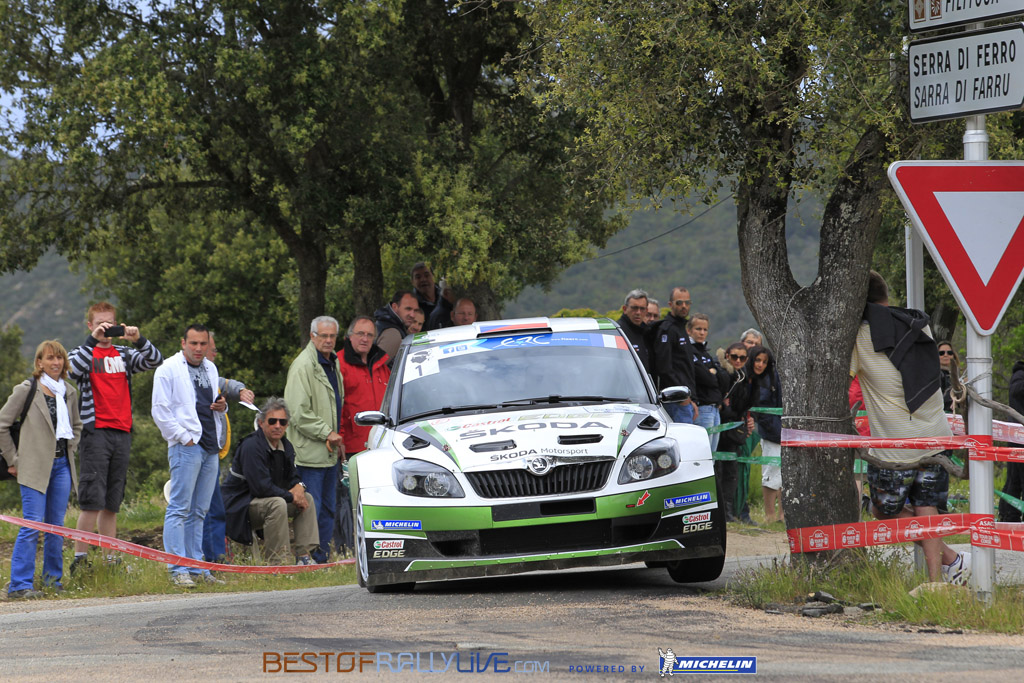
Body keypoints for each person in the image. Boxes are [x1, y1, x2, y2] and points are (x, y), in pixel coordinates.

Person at [851, 271, 969, 584]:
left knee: (884, 512)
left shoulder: (861, 337)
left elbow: (844, 377)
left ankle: (949, 560)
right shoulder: (919, 324)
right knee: (926, 505)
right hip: (936, 436)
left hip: (896, 445)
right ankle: (940, 576)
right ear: (885, 295)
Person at [68, 301, 163, 574]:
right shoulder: (82, 352)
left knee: (111, 502)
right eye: (101, 324)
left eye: (111, 323)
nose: (106, 328)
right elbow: (73, 371)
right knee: (91, 500)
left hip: (122, 431)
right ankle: (80, 558)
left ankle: (111, 560)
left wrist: (138, 339)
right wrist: (93, 341)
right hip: (95, 430)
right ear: (90, 325)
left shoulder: (123, 353)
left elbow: (156, 361)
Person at [0, 341, 83, 598]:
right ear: (39, 363)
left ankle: (52, 582)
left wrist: (72, 449)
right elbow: (2, 425)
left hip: (61, 466)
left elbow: (77, 426)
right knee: (32, 524)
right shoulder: (26, 390)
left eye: (59, 358)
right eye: (50, 358)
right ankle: (19, 585)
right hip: (33, 467)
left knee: (56, 526)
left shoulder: (69, 392)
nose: (55, 363)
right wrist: (14, 460)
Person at [152, 324, 227, 587]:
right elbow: (159, 411)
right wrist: (185, 437)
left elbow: (212, 403)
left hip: (209, 446)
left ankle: (197, 568)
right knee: (179, 508)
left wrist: (222, 405)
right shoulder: (167, 370)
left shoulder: (210, 368)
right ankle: (177, 568)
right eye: (193, 343)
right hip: (186, 446)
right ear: (182, 342)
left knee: (200, 511)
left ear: (208, 344)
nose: (198, 349)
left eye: (203, 344)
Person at [222, 398, 318, 565]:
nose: (277, 426)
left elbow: (294, 477)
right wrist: (291, 496)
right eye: (272, 421)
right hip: (240, 505)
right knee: (278, 504)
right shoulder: (251, 446)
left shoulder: (286, 445)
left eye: (283, 422)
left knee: (307, 498)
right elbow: (261, 488)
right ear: (261, 423)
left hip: (265, 499)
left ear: (287, 425)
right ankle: (278, 562)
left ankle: (304, 557)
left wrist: (300, 488)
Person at [284, 315, 345, 563]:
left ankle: (321, 558)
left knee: (329, 508)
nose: (328, 340)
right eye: (323, 336)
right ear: (312, 336)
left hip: (329, 452)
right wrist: (326, 433)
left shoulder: (332, 362)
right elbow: (297, 412)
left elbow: (334, 407)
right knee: (311, 509)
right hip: (309, 454)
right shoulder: (303, 366)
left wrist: (336, 440)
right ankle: (304, 557)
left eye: (332, 336)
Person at [336, 316, 391, 555]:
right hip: (352, 446)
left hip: (381, 445)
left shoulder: (383, 364)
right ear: (349, 336)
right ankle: (349, 548)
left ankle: (378, 544)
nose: (365, 339)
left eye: (369, 335)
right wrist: (338, 438)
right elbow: (337, 406)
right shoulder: (339, 363)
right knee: (351, 501)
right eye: (360, 334)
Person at [201, 331, 256, 564]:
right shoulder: (184, 374)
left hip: (211, 451)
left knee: (215, 507)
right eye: (212, 349)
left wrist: (240, 390)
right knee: (199, 509)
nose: (215, 353)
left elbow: (226, 384)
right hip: (194, 449)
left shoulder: (211, 374)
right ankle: (202, 558)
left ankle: (217, 558)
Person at [745, 345, 784, 524]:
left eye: (764, 361)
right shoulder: (748, 379)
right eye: (757, 360)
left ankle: (783, 515)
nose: (760, 364)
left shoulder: (774, 376)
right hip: (769, 431)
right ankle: (769, 515)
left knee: (785, 474)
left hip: (783, 428)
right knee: (770, 471)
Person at [718, 342, 751, 523]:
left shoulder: (743, 377)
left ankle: (728, 511)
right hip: (720, 425)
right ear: (727, 356)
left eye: (742, 358)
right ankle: (720, 511)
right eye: (734, 357)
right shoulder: (723, 374)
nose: (738, 360)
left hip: (734, 428)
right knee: (719, 470)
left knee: (731, 471)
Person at [653, 286, 697, 423]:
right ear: (670, 304)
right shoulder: (667, 329)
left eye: (687, 303)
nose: (684, 306)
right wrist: (682, 396)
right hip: (675, 401)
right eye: (679, 303)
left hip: (685, 399)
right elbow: (664, 367)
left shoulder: (681, 328)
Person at [688, 313, 729, 453]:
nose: (702, 333)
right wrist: (711, 374)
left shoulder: (704, 352)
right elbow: (705, 378)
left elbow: (720, 379)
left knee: (712, 457)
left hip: (715, 408)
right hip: (703, 408)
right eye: (698, 329)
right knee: (702, 455)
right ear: (689, 330)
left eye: (705, 330)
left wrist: (713, 374)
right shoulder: (689, 351)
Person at [999, 360, 1024, 523]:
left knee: (1014, 478)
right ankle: (1009, 514)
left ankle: (1009, 514)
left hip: (1017, 436)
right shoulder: (1019, 375)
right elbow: (1016, 391)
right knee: (1016, 478)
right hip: (1018, 436)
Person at [373, 291, 420, 360]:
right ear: (395, 307)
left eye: (415, 310)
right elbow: (376, 367)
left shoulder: (384, 323)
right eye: (408, 309)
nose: (413, 315)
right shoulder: (392, 333)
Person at [618, 289, 653, 373]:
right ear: (625, 309)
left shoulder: (646, 332)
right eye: (634, 308)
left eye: (642, 309)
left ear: (646, 311)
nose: (638, 312)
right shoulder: (619, 332)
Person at [411, 262, 454, 329]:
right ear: (413, 282)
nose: (423, 279)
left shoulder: (446, 297)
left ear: (434, 277)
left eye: (427, 275)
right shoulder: (411, 305)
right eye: (418, 277)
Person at [937, 340, 958, 413]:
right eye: (941, 353)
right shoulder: (936, 375)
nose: (946, 355)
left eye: (949, 352)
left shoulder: (955, 375)